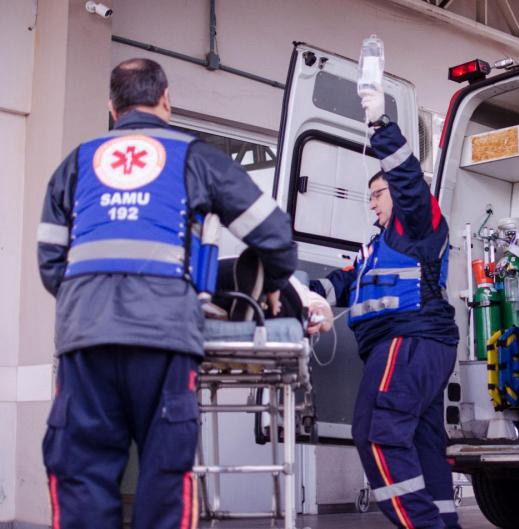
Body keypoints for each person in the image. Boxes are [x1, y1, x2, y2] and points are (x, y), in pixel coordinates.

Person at [37, 58, 297, 529]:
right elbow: (274, 233)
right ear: (166, 99)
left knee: (80, 478)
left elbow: (51, 262)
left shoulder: (75, 163)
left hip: (85, 340)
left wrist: (93, 304)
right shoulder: (195, 157)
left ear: (111, 107)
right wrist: (273, 285)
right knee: (164, 477)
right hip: (164, 340)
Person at [309, 86, 461, 529]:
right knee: (421, 440)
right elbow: (343, 280)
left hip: (409, 341)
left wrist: (380, 126)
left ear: (395, 193)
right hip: (417, 347)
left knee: (377, 433)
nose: (371, 203)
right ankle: (442, 522)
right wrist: (306, 295)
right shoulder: (376, 247)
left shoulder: (418, 223)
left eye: (377, 194)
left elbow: (409, 181)